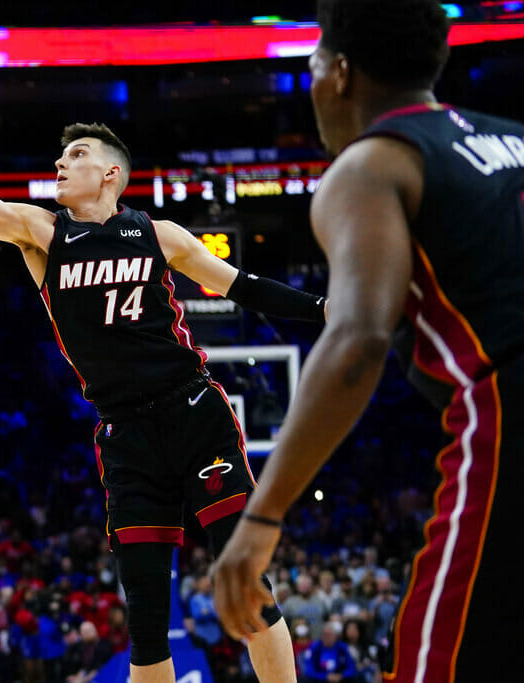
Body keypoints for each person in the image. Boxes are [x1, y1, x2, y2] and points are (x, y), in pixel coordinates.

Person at [0, 100, 330, 683]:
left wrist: (326, 309)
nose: (60, 162)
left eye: (76, 154)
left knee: (246, 586)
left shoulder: (160, 235)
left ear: (110, 173)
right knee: (148, 621)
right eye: (60, 154)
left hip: (194, 413)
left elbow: (246, 288)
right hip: (125, 435)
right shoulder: (42, 233)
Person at [210, 1, 524, 681]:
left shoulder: (372, 165)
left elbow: (358, 338)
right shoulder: (515, 139)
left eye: (315, 62)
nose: (313, 79)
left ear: (342, 73)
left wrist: (260, 520)